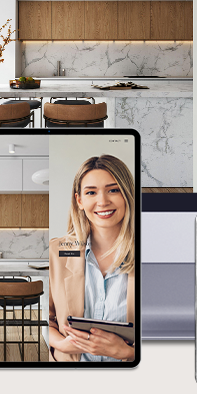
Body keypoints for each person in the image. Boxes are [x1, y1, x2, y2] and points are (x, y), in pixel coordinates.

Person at [48, 154, 137, 361]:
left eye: (113, 190)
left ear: (127, 194)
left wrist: (129, 353)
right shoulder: (56, 251)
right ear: (79, 200)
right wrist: (61, 344)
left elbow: (169, 332)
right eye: (91, 192)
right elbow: (44, 318)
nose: (103, 202)